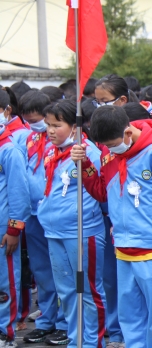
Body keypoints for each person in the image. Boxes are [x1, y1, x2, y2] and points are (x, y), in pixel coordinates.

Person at [71, 106, 152, 347]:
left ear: (127, 132)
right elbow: (103, 193)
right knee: (130, 317)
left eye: (113, 144)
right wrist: (86, 167)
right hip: (123, 248)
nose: (110, 150)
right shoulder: (110, 154)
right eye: (106, 146)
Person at [38, 100, 108, 348]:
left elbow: (102, 192)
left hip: (81, 232)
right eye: (48, 125)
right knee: (66, 292)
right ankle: (75, 340)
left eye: (57, 125)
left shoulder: (90, 154)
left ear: (75, 127)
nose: (50, 130)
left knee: (89, 291)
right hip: (54, 232)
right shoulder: (52, 152)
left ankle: (92, 342)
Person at [20, 91, 71, 345]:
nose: (42, 127)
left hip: (58, 217)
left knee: (62, 272)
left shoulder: (65, 143)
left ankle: (64, 321)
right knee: (42, 272)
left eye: (42, 121)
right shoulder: (28, 138)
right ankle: (46, 319)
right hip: (33, 214)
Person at [0, 117, 30, 348]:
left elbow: (19, 191)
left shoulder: (9, 150)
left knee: (5, 281)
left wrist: (14, 228)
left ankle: (5, 332)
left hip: (3, 228)